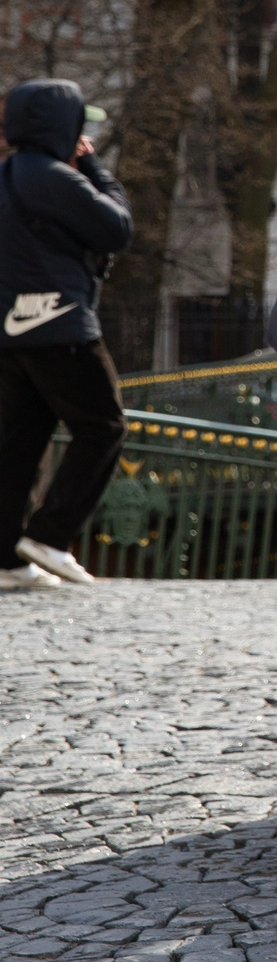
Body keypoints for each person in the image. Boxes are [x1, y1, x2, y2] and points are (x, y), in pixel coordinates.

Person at [0, 80, 131, 592]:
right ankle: (50, 535)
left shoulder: (7, 175)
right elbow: (116, 227)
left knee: (19, 443)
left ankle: (8, 559)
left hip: (10, 331)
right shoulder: (55, 178)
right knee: (103, 426)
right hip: (61, 324)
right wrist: (95, 167)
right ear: (64, 127)